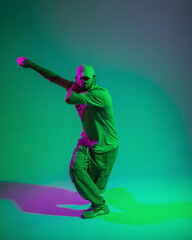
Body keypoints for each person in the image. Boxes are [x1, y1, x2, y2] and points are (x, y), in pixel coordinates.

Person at [16, 57, 119, 219]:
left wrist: (72, 86)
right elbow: (54, 78)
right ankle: (100, 205)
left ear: (94, 79)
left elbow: (69, 99)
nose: (84, 81)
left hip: (105, 146)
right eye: (81, 78)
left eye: (87, 78)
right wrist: (31, 64)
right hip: (87, 140)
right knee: (75, 169)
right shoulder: (77, 87)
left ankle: (97, 201)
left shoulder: (100, 94)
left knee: (96, 186)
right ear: (77, 78)